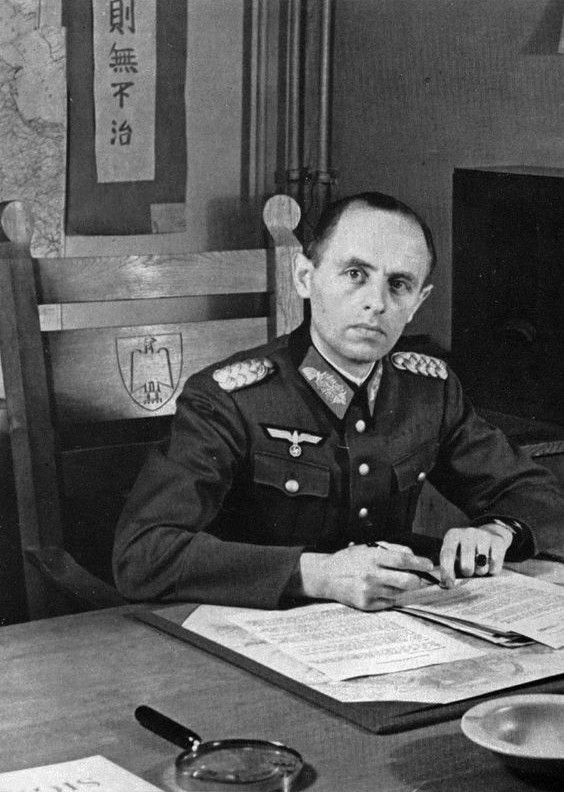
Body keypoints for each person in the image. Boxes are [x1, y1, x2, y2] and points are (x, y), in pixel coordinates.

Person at [112, 191, 564, 610]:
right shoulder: (227, 400)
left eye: (400, 284)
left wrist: (498, 531)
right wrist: (318, 576)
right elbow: (143, 554)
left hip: (394, 635)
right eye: (355, 274)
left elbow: (536, 492)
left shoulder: (429, 390)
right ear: (305, 277)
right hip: (259, 636)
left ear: (419, 303)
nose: (376, 303)